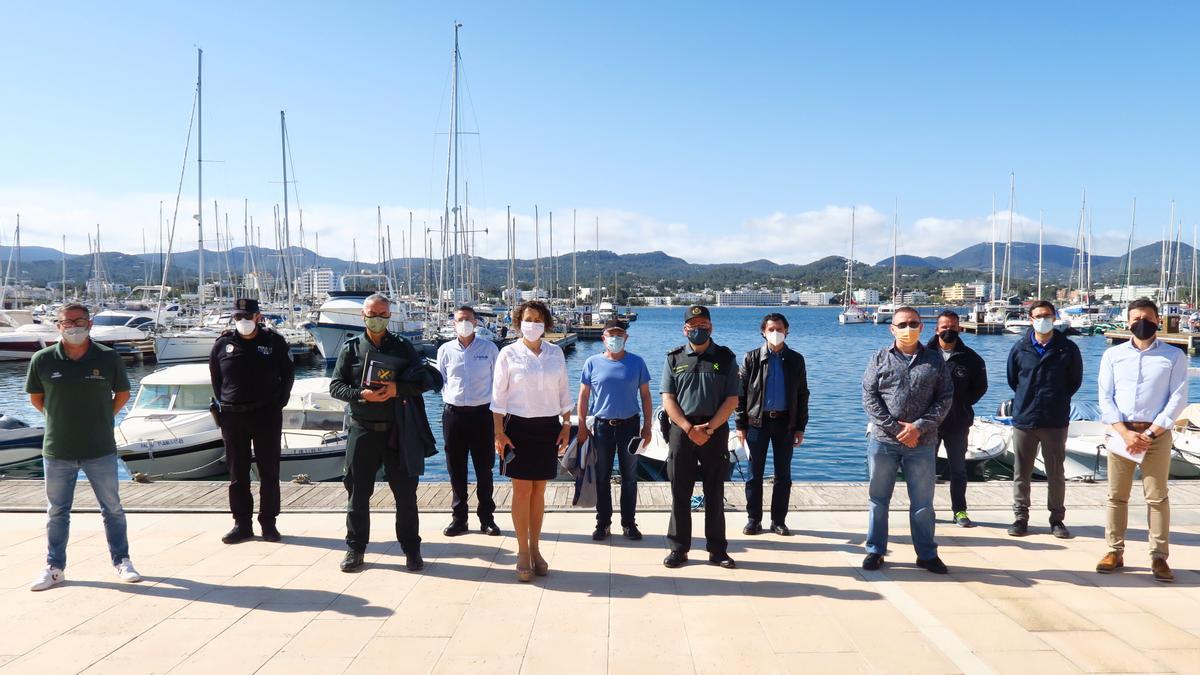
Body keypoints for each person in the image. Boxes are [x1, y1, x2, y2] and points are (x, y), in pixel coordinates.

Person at [26, 303, 141, 591]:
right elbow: (37, 399)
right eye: (68, 322)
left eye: (79, 321)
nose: (73, 326)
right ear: (58, 325)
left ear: (89, 324)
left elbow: (123, 393)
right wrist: (59, 419)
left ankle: (122, 560)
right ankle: (54, 567)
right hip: (58, 449)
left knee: (112, 508)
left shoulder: (108, 357)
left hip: (99, 447)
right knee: (57, 511)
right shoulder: (42, 359)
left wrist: (103, 417)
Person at [330, 293, 442, 573]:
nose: (376, 319)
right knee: (357, 493)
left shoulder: (403, 347)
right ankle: (355, 549)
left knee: (405, 495)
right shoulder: (351, 348)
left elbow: (426, 380)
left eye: (382, 314)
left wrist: (397, 389)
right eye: (372, 314)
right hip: (362, 430)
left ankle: (411, 549)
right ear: (363, 316)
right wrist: (361, 395)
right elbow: (335, 387)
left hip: (397, 432)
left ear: (389, 317)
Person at [1096, 298, 1187, 582]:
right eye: (1136, 318)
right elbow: (1105, 397)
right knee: (1116, 496)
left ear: (1158, 320)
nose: (1141, 323)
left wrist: (1149, 434)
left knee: (1157, 497)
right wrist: (1124, 432)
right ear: (1128, 322)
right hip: (1122, 433)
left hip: (1155, 436)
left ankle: (1159, 557)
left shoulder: (1174, 356)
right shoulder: (1113, 356)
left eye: (1147, 317)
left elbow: (1177, 399)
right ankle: (1114, 551)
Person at [861, 307, 953, 574]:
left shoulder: (936, 361)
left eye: (913, 323)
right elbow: (869, 397)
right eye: (902, 324)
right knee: (878, 499)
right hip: (883, 442)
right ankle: (875, 550)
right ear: (892, 328)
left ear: (922, 327)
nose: (908, 328)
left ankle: (926, 554)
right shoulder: (879, 358)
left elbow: (945, 399)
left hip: (922, 443)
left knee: (923, 503)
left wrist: (918, 428)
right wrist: (895, 429)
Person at [492, 300, 572, 581]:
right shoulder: (508, 354)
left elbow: (564, 391)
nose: (533, 323)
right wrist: (498, 432)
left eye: (539, 319)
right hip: (517, 427)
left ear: (546, 324)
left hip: (548, 426)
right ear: (518, 322)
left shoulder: (555, 353)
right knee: (522, 490)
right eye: (528, 318)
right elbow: (498, 397)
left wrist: (566, 425)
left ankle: (536, 548)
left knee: (539, 491)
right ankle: (522, 551)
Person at [209, 298, 295, 544]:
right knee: (238, 473)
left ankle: (269, 523)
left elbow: (288, 375)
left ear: (258, 317)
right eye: (238, 317)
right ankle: (242, 524)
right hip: (233, 416)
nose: (243, 321)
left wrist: (278, 403)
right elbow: (217, 380)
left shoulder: (274, 342)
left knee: (269, 472)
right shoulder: (222, 344)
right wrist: (227, 403)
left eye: (247, 316)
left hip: (266, 415)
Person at [660, 305, 739, 569]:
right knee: (679, 492)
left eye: (703, 324)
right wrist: (687, 427)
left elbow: (731, 400)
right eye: (693, 325)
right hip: (682, 432)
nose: (698, 329)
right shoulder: (673, 358)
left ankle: (718, 551)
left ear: (711, 327)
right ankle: (678, 549)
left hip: (714, 432)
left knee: (714, 492)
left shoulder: (726, 358)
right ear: (685, 329)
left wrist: (709, 428)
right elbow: (668, 398)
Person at [1006, 299, 1083, 538]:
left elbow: (1074, 382)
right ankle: (1020, 517)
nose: (1043, 320)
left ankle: (1057, 519)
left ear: (1055, 317)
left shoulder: (1067, 348)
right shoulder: (1020, 348)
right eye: (1038, 316)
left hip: (1055, 420)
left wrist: (1056, 399)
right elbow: (1013, 380)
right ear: (1031, 319)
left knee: (1056, 473)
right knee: (1021, 472)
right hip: (1025, 419)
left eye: (1047, 315)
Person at [575, 319, 653, 541]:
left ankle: (629, 524)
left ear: (626, 338)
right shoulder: (591, 363)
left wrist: (647, 427)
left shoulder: (637, 362)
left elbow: (646, 396)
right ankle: (603, 523)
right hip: (602, 427)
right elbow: (583, 396)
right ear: (604, 338)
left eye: (620, 334)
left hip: (630, 426)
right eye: (612, 334)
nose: (615, 338)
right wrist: (582, 425)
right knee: (602, 476)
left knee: (630, 477)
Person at [735, 312, 809, 536]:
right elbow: (740, 394)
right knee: (753, 474)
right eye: (771, 329)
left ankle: (778, 521)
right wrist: (740, 424)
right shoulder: (751, 358)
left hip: (785, 423)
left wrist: (800, 427)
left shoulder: (796, 360)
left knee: (783, 475)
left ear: (787, 331)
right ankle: (753, 519)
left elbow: (802, 394)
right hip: (757, 422)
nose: (775, 333)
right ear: (763, 332)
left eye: (779, 329)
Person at [436, 305, 501, 537]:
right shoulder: (445, 350)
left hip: (482, 415)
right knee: (456, 469)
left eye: (468, 319)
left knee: (484, 469)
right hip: (453, 415)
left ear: (476, 322)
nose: (464, 323)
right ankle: (459, 519)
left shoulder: (490, 348)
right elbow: (441, 380)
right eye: (460, 319)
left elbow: (498, 383)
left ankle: (487, 519)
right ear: (453, 323)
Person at [927, 310, 987, 528]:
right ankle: (925, 509)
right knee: (925, 469)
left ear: (960, 328)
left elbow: (980, 388)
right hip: (929, 423)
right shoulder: (923, 354)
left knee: (958, 469)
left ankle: (959, 510)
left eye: (952, 326)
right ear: (936, 329)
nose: (948, 330)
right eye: (944, 327)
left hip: (958, 423)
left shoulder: (971, 358)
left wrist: (961, 404)